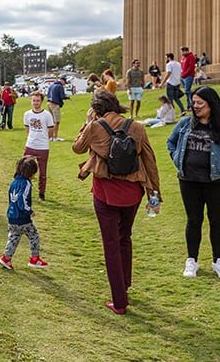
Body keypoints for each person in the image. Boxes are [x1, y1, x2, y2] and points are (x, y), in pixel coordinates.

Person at [72, 90, 160, 315]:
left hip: (105, 192)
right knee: (124, 238)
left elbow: (77, 148)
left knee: (110, 244)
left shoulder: (95, 126)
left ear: (97, 109)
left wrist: (87, 123)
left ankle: (119, 301)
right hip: (133, 191)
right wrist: (155, 192)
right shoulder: (137, 127)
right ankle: (125, 285)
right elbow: (149, 159)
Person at [166, 86, 220, 280]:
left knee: (217, 219)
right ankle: (192, 260)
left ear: (211, 105)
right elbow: (170, 142)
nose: (194, 106)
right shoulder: (184, 125)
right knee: (193, 219)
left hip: (219, 182)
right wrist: (176, 158)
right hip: (189, 181)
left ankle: (218, 261)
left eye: (199, 103)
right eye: (193, 102)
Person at [0, 157, 49, 271]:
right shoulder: (26, 183)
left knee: (14, 237)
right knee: (34, 235)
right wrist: (29, 211)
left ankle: (6, 258)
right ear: (31, 173)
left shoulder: (14, 182)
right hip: (22, 218)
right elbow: (21, 199)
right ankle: (34, 259)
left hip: (12, 217)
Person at [22, 92, 54, 201]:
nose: (35, 103)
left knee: (42, 172)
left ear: (41, 101)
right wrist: (32, 137)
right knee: (24, 169)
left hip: (43, 147)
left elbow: (51, 130)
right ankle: (25, 192)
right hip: (30, 145)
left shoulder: (47, 115)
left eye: (37, 101)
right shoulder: (27, 114)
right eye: (34, 100)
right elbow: (27, 129)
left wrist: (45, 139)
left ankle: (41, 193)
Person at [47, 76, 68, 141]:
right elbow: (62, 96)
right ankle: (55, 137)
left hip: (49, 103)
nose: (64, 84)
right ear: (63, 81)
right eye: (65, 82)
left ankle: (50, 136)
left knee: (52, 121)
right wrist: (67, 97)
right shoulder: (60, 86)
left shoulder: (52, 85)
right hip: (55, 104)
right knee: (57, 121)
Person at [180, 46, 196, 111]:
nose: (181, 53)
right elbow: (182, 67)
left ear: (186, 51)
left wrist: (184, 74)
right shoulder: (183, 57)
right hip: (183, 77)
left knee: (187, 91)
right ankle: (189, 105)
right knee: (187, 92)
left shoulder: (191, 57)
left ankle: (191, 105)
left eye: (182, 51)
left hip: (189, 76)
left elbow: (191, 67)